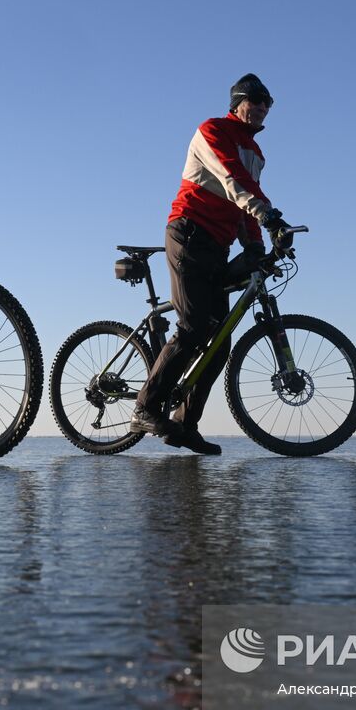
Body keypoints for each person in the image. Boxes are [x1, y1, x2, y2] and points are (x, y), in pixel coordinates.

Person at [129, 74, 293, 455]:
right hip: (188, 233)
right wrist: (270, 217)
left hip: (216, 246)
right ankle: (145, 408)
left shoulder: (257, 152)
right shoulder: (213, 130)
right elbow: (232, 180)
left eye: (268, 104)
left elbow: (245, 202)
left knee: (220, 341)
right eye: (256, 101)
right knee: (194, 326)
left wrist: (256, 244)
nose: (263, 108)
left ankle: (185, 425)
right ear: (237, 102)